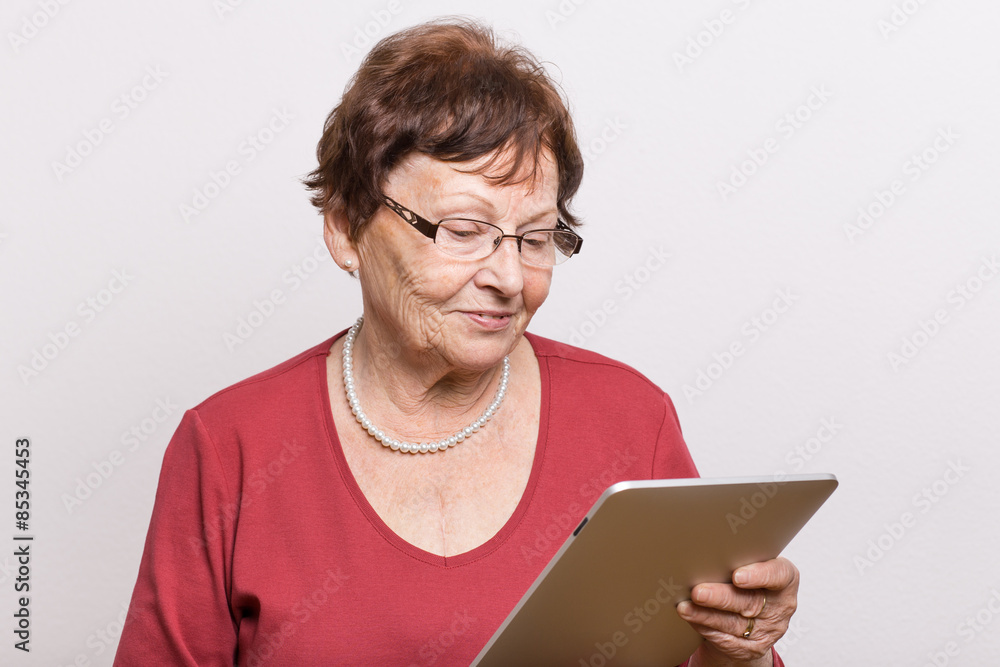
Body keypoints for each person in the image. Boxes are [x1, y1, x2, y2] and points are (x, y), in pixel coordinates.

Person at [114, 18, 799, 667]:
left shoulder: (631, 421)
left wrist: (735, 652)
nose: (509, 278)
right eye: (464, 231)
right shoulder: (228, 448)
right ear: (347, 228)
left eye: (536, 238)